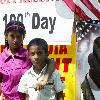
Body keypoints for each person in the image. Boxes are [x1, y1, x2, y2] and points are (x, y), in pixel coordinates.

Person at [0, 21, 55, 100]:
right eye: (12, 36)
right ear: (6, 36)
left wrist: (45, 79)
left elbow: (51, 62)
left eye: (19, 37)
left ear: (23, 37)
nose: (15, 40)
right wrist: (2, 93)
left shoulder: (29, 54)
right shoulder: (1, 58)